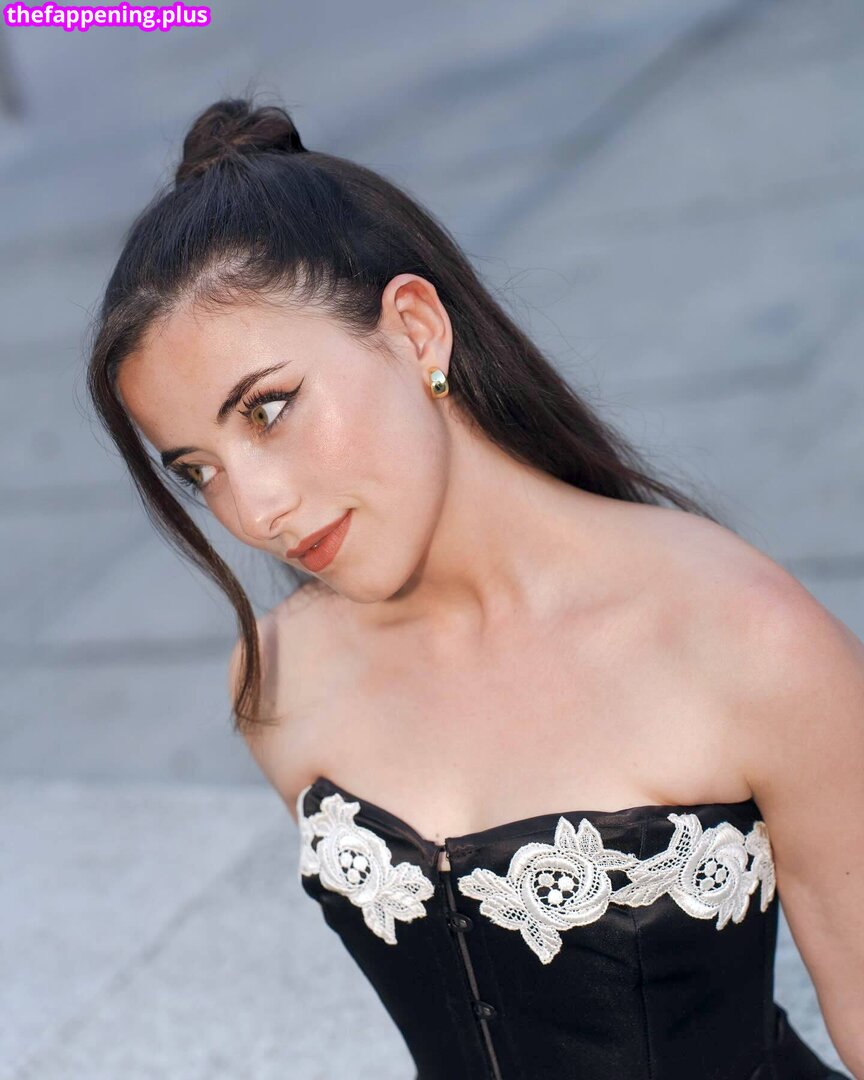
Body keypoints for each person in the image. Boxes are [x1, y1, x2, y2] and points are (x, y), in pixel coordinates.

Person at [86, 96, 862, 1079]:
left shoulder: (744, 639)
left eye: (270, 410)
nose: (256, 508)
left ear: (416, 331)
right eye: (199, 470)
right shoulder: (280, 677)